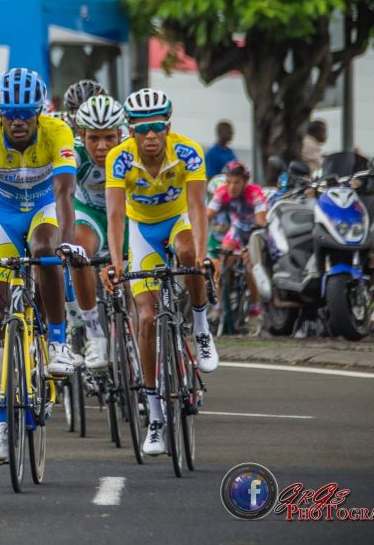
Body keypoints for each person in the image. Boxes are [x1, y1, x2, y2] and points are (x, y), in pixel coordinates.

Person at [0, 68, 83, 465]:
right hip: (3, 219)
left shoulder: (57, 132)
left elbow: (64, 191)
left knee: (45, 246)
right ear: (0, 114)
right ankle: (1, 424)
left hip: (44, 210)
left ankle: (57, 340)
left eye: (27, 113)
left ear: (40, 111)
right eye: (11, 115)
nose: (19, 122)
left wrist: (68, 239)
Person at [99, 88, 218, 458]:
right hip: (141, 232)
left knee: (187, 252)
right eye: (141, 128)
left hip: (178, 221)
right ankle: (154, 415)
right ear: (130, 130)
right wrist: (117, 262)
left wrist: (200, 254)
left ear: (168, 126)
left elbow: (198, 207)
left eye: (157, 128)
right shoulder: (119, 159)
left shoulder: (188, 151)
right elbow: (115, 215)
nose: (150, 136)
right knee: (147, 318)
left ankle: (200, 327)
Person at [70, 94, 128, 369]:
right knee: (78, 250)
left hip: (128, 217)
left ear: (121, 133)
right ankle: (94, 334)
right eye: (94, 138)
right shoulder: (75, 155)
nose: (102, 146)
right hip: (90, 215)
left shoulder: (132, 153)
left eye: (109, 138)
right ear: (82, 135)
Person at [205, 160, 268, 322]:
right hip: (237, 230)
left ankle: (255, 308)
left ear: (245, 182)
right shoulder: (222, 192)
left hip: (255, 232)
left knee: (249, 266)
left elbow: (261, 223)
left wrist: (249, 249)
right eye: (229, 182)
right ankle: (218, 306)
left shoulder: (254, 193)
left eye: (237, 182)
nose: (232, 186)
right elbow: (207, 217)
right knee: (222, 260)